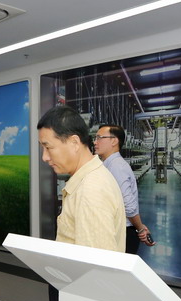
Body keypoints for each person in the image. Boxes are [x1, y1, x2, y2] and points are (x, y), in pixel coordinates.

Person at [38, 106, 126, 252]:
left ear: (74, 143)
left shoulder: (90, 191)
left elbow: (96, 263)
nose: (44, 157)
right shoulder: (90, 180)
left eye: (48, 147)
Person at [93, 123, 155, 253]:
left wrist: (140, 229)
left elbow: (129, 206)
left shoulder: (116, 167)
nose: (95, 142)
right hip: (116, 228)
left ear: (114, 141)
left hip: (124, 232)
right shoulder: (108, 165)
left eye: (99, 138)